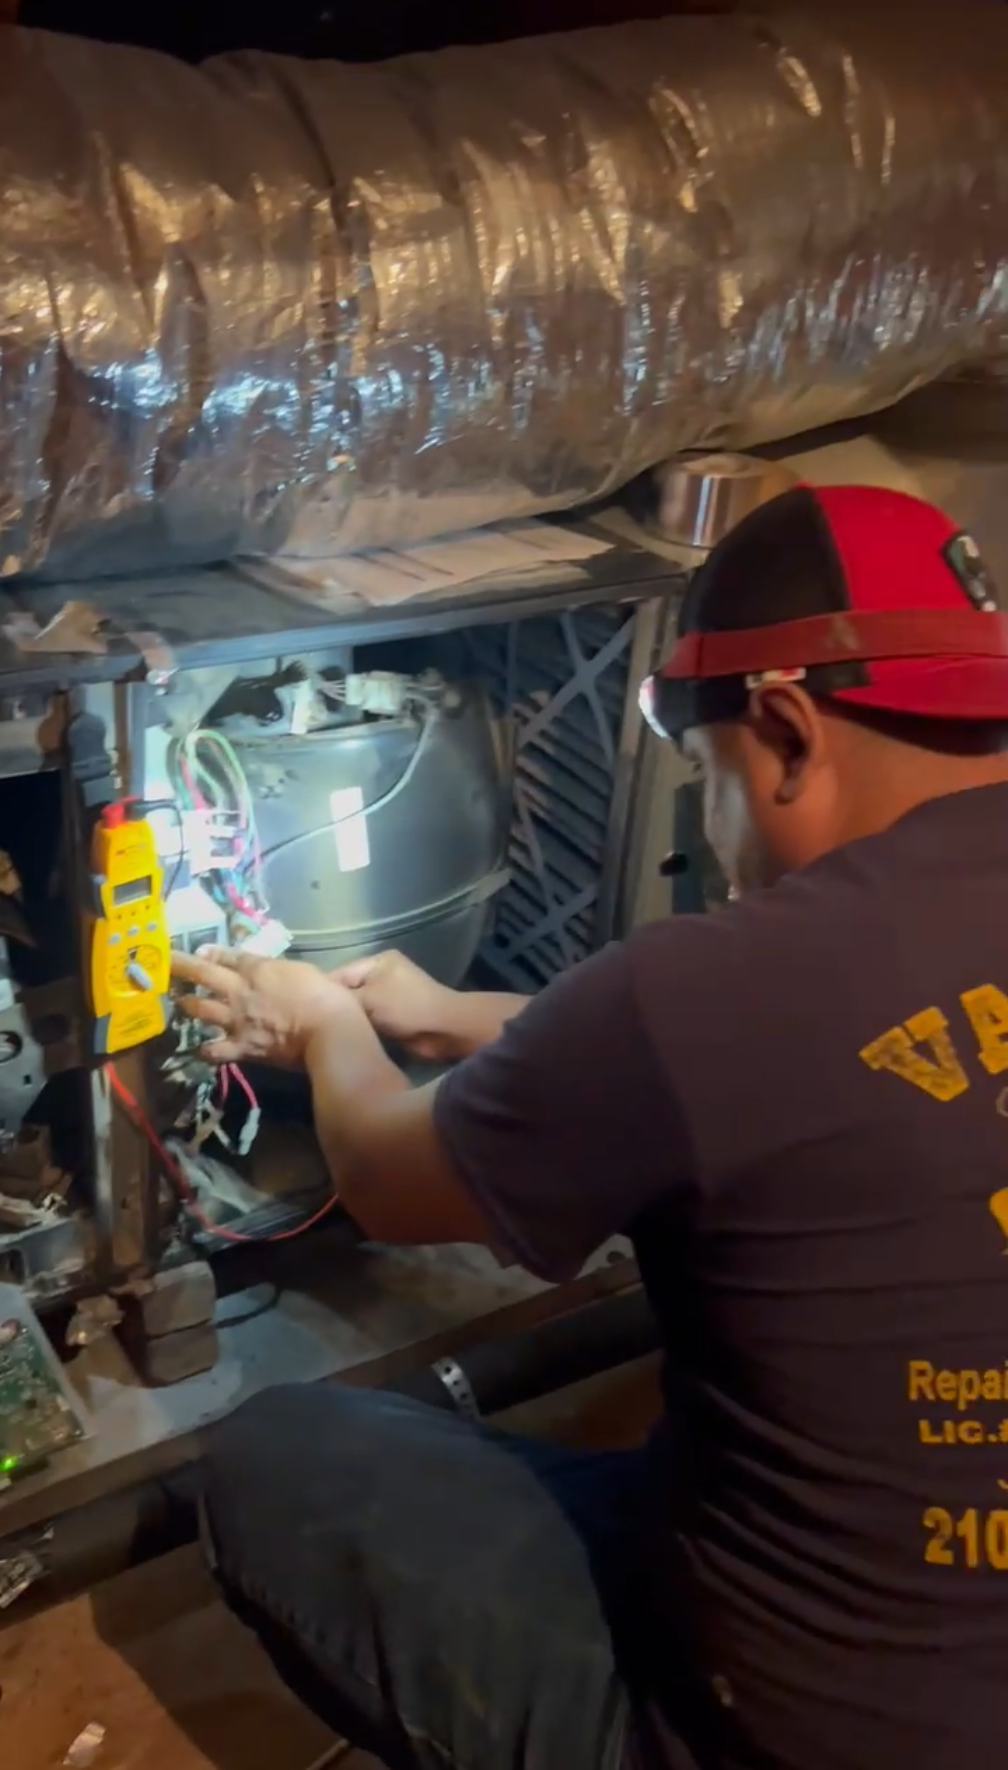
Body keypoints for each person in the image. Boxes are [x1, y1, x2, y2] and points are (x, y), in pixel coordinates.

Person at [173, 484, 1008, 1770]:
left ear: (783, 728)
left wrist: (323, 1034)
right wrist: (451, 1014)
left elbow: (392, 1182)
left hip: (778, 1736)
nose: (719, 831)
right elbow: (770, 1067)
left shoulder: (723, 987)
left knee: (282, 1458)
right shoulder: (795, 979)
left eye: (711, 775)